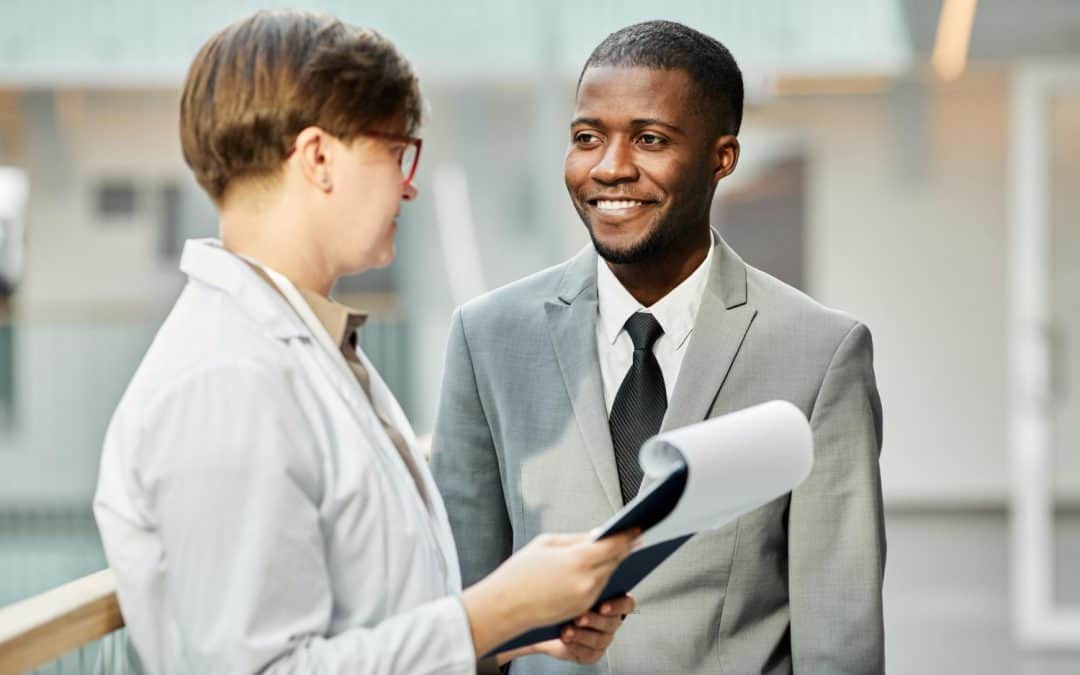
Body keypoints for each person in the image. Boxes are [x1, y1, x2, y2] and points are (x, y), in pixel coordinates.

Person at [92, 10, 638, 674]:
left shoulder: (301, 345)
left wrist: (516, 622)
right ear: (319, 157)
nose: (408, 185)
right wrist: (493, 611)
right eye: (393, 152)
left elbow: (372, 616)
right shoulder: (225, 379)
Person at [431, 20, 886, 675]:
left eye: (649, 139)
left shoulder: (819, 353)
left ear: (721, 158)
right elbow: (458, 621)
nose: (611, 167)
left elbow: (839, 641)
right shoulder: (488, 338)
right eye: (588, 137)